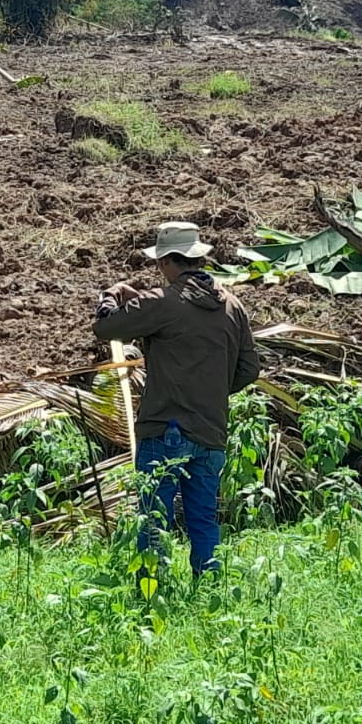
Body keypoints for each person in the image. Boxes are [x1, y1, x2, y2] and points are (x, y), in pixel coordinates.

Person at [94, 221, 260, 576]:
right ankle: (210, 589)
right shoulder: (233, 306)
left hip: (165, 429)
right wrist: (209, 390)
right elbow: (249, 368)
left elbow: (106, 328)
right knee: (203, 520)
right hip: (211, 432)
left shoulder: (164, 302)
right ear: (197, 259)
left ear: (167, 262)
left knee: (154, 519)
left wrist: (110, 296)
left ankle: (151, 596)